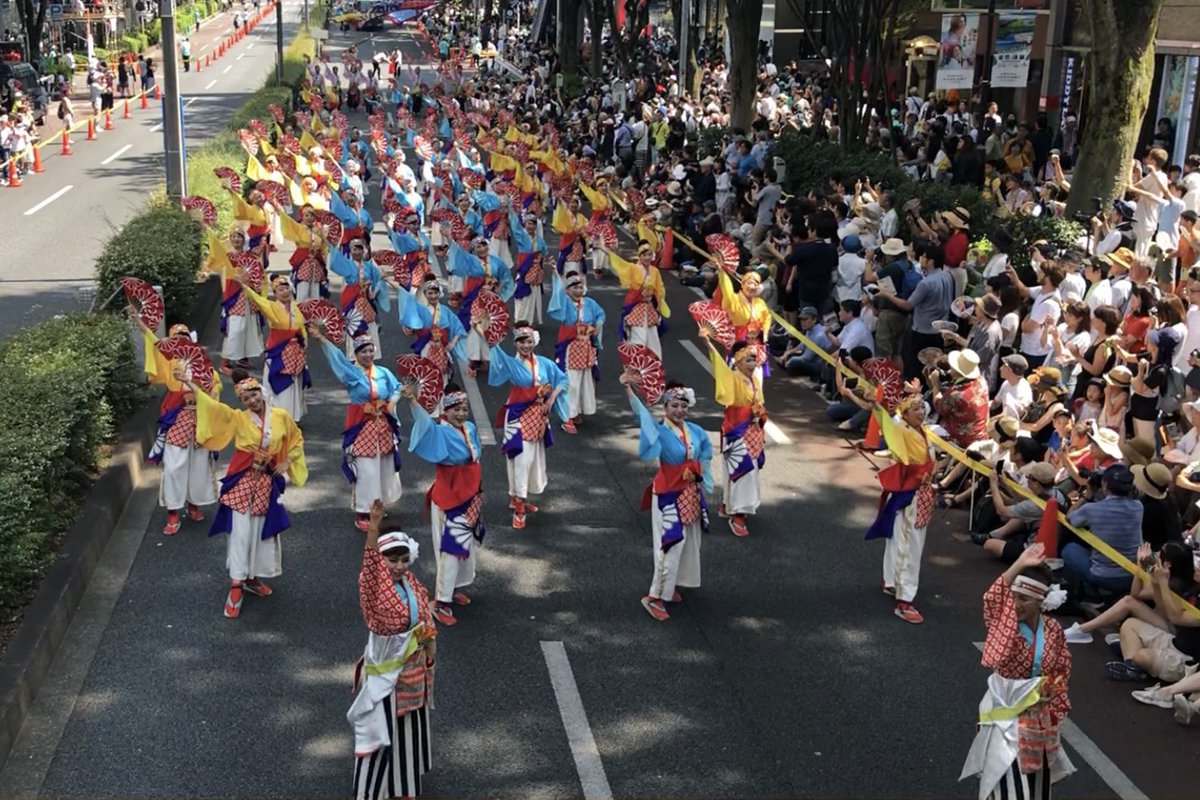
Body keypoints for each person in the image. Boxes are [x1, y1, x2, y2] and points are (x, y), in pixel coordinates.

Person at [180, 370, 307, 619]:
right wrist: (190, 385)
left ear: (262, 392)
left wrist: (287, 462)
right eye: (246, 398)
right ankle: (236, 583)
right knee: (241, 531)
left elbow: (296, 439)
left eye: (255, 394)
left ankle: (252, 576)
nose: (252, 400)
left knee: (261, 530)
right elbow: (214, 408)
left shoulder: (281, 416)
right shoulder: (238, 418)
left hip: (267, 480)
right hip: (243, 479)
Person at [960, 544, 1075, 800]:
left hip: (1038, 718)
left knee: (1035, 785)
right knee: (1007, 784)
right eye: (1012, 596)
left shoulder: (1053, 629)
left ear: (1041, 601)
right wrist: (1020, 563)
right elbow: (991, 600)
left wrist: (1053, 698)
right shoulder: (1005, 625)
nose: (1014, 604)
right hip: (1006, 714)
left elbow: (1062, 667)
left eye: (1023, 599)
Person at [349, 502, 436, 800]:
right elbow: (371, 564)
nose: (398, 566)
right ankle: (370, 793)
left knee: (408, 729)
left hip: (412, 669)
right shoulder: (372, 584)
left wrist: (429, 650)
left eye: (403, 559)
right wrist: (373, 526)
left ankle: (404, 788)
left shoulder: (410, 581)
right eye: (391, 560)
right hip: (385, 668)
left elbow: (424, 615)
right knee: (379, 731)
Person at [622, 376, 713, 622]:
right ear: (665, 407)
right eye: (674, 406)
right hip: (667, 495)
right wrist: (628, 388)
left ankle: (671, 586)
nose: (680, 410)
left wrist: (699, 474)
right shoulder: (660, 431)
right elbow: (641, 414)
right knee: (670, 545)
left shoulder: (695, 431)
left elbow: (705, 455)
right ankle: (655, 597)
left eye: (684, 406)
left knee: (689, 544)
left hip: (690, 494)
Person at [405, 384, 484, 628]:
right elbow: (424, 424)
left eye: (464, 409)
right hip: (450, 497)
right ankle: (441, 601)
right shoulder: (439, 431)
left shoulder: (469, 428)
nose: (461, 414)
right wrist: (413, 402)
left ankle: (454, 587)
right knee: (449, 550)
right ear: (445, 411)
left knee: (465, 546)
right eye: (455, 410)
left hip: (470, 493)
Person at [312, 328, 403, 532]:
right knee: (365, 469)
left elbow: (396, 388)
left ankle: (377, 505)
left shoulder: (383, 372)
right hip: (362, 427)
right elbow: (336, 358)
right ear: (356, 354)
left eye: (371, 351)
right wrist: (322, 340)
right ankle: (362, 511)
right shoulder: (351, 372)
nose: (368, 355)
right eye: (363, 352)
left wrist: (392, 401)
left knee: (382, 465)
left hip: (383, 426)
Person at [480, 321, 569, 529]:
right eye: (520, 342)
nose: (525, 345)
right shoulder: (512, 363)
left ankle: (518, 497)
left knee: (530, 460)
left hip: (538, 416)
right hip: (518, 416)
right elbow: (496, 352)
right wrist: (483, 331)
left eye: (528, 341)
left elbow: (562, 380)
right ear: (515, 344)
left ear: (534, 342)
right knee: (520, 459)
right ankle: (519, 507)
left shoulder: (545, 364)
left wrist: (550, 400)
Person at [136, 319, 221, 535]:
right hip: (176, 418)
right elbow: (154, 343)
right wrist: (141, 323)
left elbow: (215, 386)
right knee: (174, 466)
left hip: (200, 418)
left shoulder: (203, 362)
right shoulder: (169, 360)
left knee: (199, 464)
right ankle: (173, 512)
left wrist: (205, 391)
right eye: (176, 337)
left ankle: (194, 505)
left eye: (184, 336)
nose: (180, 340)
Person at [865, 394, 936, 624]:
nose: (921, 411)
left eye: (921, 407)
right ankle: (904, 601)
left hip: (918, 493)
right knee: (909, 546)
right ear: (904, 413)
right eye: (914, 408)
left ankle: (891, 581)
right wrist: (876, 404)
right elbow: (888, 422)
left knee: (899, 539)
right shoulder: (902, 429)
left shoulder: (918, 430)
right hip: (911, 494)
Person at [704, 336, 766, 537]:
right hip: (736, 431)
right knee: (742, 472)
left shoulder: (755, 380)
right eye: (748, 360)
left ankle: (726, 504)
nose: (752, 363)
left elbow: (759, 404)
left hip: (754, 432)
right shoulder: (732, 379)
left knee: (748, 472)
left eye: (754, 359)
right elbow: (719, 365)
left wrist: (760, 415)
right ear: (737, 362)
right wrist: (707, 342)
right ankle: (737, 514)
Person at [1063, 464, 1143, 599]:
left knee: (1069, 549)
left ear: (1104, 485)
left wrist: (1088, 494)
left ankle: (1092, 595)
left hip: (1102, 575)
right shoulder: (1138, 507)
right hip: (1132, 574)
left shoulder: (1091, 509)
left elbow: (1069, 517)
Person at [237, 273, 309, 423]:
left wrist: (305, 343)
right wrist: (245, 286)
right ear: (275, 293)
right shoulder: (272, 306)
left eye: (286, 288)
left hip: (295, 352)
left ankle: (293, 416)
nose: (285, 292)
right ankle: (277, 415)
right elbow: (258, 299)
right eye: (280, 290)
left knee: (294, 383)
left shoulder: (296, 307)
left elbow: (301, 327)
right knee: (279, 383)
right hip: (279, 351)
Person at [547, 270, 605, 434]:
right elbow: (557, 296)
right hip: (570, 348)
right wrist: (556, 276)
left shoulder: (590, 303)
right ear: (567, 290)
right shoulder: (565, 302)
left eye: (580, 287)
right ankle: (567, 416)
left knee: (585, 380)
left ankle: (578, 409)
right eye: (574, 287)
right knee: (570, 381)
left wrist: (598, 324)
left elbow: (600, 314)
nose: (578, 290)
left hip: (586, 348)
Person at [609, 242, 670, 358]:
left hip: (649, 307)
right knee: (639, 339)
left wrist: (659, 303)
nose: (647, 258)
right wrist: (608, 251)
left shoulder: (655, 271)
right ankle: (637, 367)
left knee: (653, 339)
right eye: (644, 255)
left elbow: (660, 289)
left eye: (649, 255)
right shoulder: (633, 268)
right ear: (639, 256)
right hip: (636, 307)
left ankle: (654, 366)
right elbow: (620, 264)